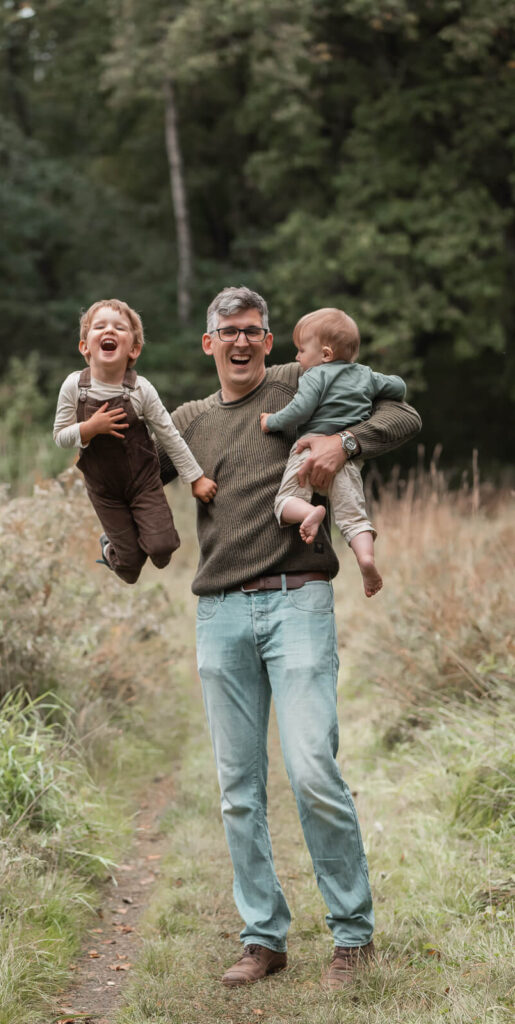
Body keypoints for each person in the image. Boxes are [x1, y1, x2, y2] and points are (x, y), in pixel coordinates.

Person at [158, 286, 421, 991]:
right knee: (239, 789)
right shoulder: (187, 421)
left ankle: (352, 936)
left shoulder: (304, 380)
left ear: (268, 340)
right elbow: (129, 479)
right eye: (226, 331)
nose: (240, 341)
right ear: (208, 343)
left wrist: (344, 442)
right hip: (218, 614)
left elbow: (401, 413)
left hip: (297, 601)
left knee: (310, 768)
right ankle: (262, 938)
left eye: (253, 330)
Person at [53, 298, 217, 583]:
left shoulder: (141, 390)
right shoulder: (74, 387)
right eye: (100, 326)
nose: (109, 331)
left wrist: (196, 478)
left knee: (163, 550)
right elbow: (60, 437)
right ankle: (111, 545)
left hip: (143, 483)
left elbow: (170, 436)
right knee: (129, 569)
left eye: (119, 328)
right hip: (104, 490)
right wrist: (90, 428)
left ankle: (137, 529)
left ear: (134, 349)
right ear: (84, 347)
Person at [259, 307, 406, 597]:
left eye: (301, 350)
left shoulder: (314, 376)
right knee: (354, 516)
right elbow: (399, 387)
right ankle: (366, 558)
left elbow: (299, 411)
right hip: (349, 460)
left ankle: (310, 512)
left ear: (325, 354)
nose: (297, 357)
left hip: (309, 449)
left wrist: (270, 422)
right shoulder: (365, 374)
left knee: (285, 501)